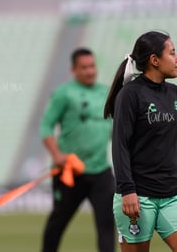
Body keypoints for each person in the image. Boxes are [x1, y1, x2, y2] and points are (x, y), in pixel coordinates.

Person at [104, 31, 177, 252]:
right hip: (138, 197)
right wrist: (127, 190)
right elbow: (120, 145)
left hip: (174, 196)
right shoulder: (129, 94)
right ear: (154, 60)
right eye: (173, 53)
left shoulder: (176, 94)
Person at [40, 48, 115, 252]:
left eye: (92, 66)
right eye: (84, 67)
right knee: (58, 222)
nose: (90, 71)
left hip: (101, 171)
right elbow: (46, 127)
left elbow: (114, 128)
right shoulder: (64, 93)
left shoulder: (106, 92)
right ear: (73, 70)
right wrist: (57, 155)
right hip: (70, 172)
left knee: (108, 225)